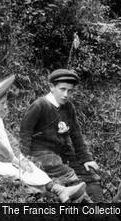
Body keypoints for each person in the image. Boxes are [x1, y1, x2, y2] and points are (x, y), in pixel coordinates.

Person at [0, 74, 86, 202]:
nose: (6, 106)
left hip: (1, 156)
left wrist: (20, 158)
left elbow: (9, 141)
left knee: (30, 167)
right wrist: (14, 160)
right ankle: (47, 193)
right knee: (15, 172)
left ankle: (60, 190)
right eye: (2, 103)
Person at [19, 68, 104, 201]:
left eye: (69, 91)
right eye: (62, 89)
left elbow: (76, 135)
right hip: (41, 152)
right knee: (69, 175)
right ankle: (89, 209)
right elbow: (25, 133)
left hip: (63, 152)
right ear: (52, 87)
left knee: (90, 174)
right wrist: (22, 159)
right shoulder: (39, 105)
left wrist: (87, 158)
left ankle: (103, 209)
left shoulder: (68, 106)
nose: (66, 94)